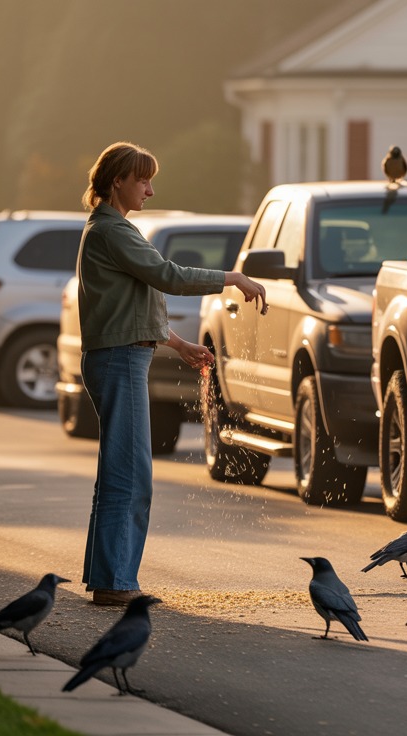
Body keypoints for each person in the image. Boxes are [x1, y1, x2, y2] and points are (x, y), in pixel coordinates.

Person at [76, 141, 267, 606]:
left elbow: (134, 300)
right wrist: (233, 277)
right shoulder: (111, 230)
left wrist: (178, 345)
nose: (151, 189)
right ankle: (116, 583)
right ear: (117, 179)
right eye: (143, 179)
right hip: (119, 361)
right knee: (130, 475)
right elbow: (168, 276)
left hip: (125, 356)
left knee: (120, 473)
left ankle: (110, 577)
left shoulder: (115, 229)